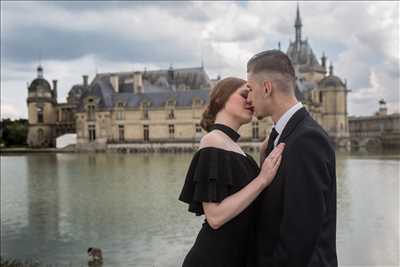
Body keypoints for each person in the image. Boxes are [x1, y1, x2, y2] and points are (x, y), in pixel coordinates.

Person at [179, 77, 285, 267]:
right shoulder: (213, 140)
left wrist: (264, 154)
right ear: (220, 98)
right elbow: (215, 217)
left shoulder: (238, 150)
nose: (250, 100)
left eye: (251, 95)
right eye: (244, 94)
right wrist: (261, 179)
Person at [246, 50, 338, 267]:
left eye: (250, 89)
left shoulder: (306, 140)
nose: (248, 98)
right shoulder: (285, 136)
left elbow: (299, 239)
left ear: (267, 88)